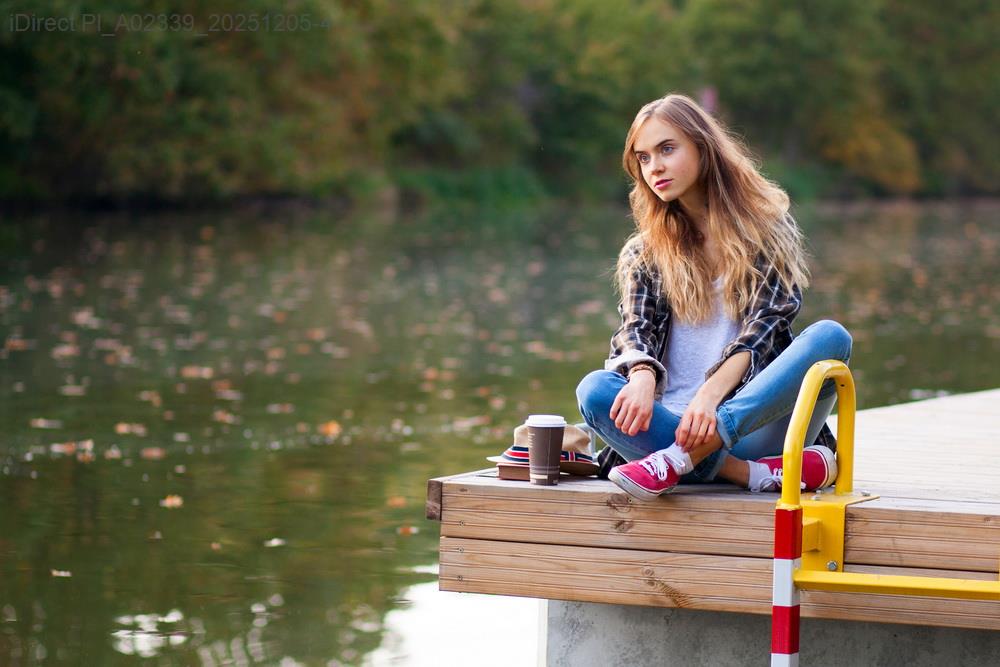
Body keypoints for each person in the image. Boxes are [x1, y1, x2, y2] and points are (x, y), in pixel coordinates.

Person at [575, 93, 852, 501]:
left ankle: (682, 461)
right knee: (594, 390)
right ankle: (742, 472)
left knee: (831, 338)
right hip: (671, 428)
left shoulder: (765, 231)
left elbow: (764, 330)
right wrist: (642, 374)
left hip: (752, 423)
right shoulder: (644, 251)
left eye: (667, 149)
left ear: (703, 149)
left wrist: (709, 398)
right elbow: (636, 328)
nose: (655, 167)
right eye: (644, 158)